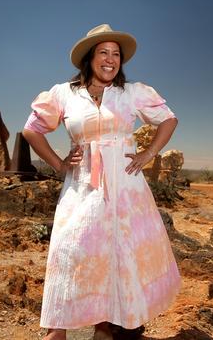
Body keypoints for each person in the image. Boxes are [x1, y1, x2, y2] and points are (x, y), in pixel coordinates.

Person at [22, 24, 181, 340]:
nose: (110, 60)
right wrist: (58, 164)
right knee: (71, 247)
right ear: (89, 58)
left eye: (116, 54)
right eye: (103, 53)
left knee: (117, 251)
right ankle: (57, 328)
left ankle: (104, 326)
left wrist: (148, 153)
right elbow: (32, 129)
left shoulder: (131, 92)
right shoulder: (64, 93)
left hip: (125, 185)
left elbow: (169, 119)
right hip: (82, 182)